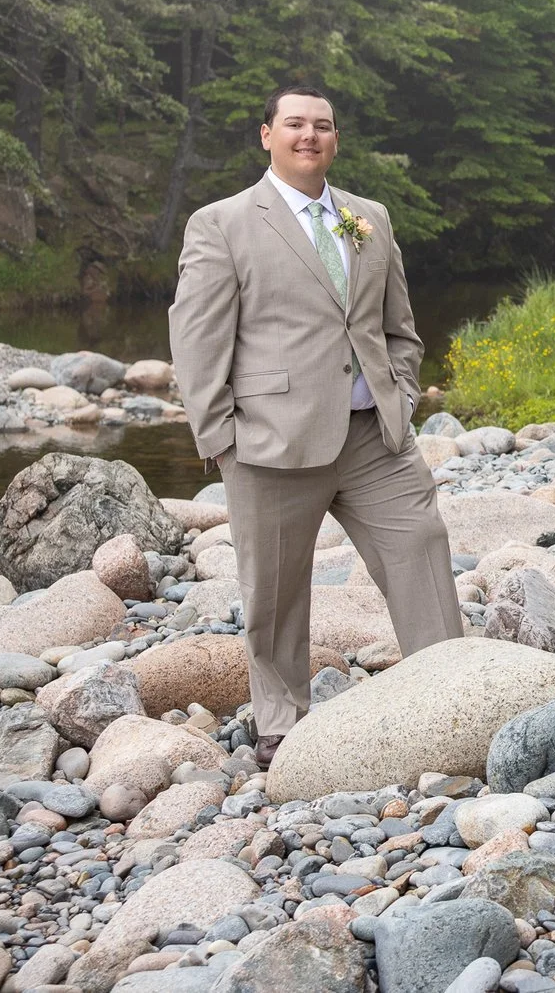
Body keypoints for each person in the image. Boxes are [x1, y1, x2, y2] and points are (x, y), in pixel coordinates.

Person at [168, 87, 459, 768]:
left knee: (422, 545)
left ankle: (449, 685)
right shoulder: (224, 223)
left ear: (336, 139)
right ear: (266, 135)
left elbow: (398, 327)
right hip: (272, 440)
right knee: (273, 586)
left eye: (322, 126)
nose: (310, 135)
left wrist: (401, 395)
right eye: (294, 124)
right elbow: (197, 338)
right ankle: (282, 720)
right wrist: (220, 439)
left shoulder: (369, 218)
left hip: (374, 437)